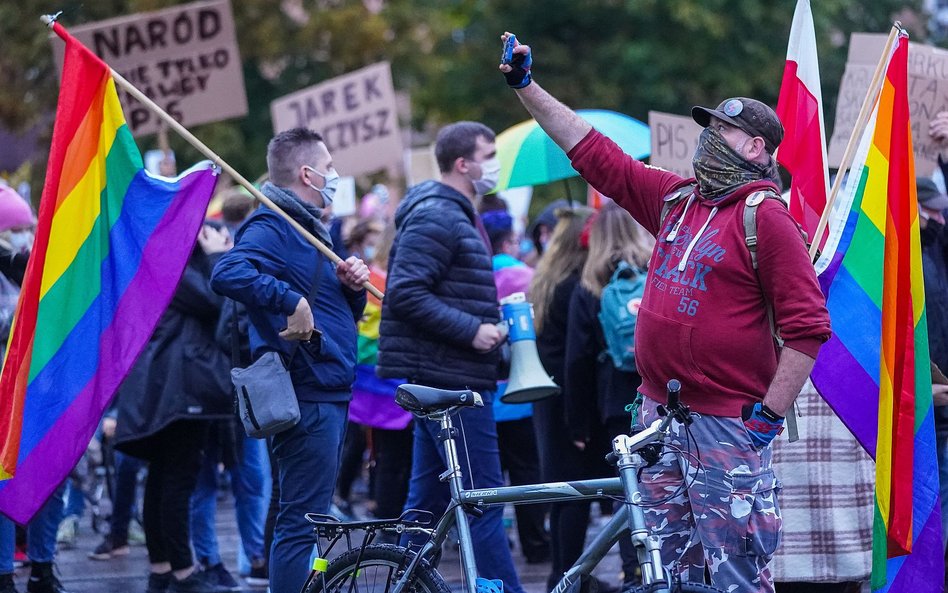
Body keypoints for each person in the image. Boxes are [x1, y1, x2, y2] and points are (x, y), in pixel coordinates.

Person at [499, 33, 831, 592]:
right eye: (709, 128)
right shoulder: (677, 200)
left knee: (736, 579)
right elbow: (592, 151)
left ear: (755, 149)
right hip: (658, 422)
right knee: (668, 575)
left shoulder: (766, 219)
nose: (708, 139)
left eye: (722, 131)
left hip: (727, 426)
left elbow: (808, 329)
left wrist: (766, 420)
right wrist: (525, 86)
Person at [210, 128, 368, 593]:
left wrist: (351, 290)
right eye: (330, 165)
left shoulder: (307, 228)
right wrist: (290, 299)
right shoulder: (273, 224)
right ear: (307, 173)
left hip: (325, 387)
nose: (335, 174)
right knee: (300, 526)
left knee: (301, 517)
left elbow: (337, 315)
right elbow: (228, 270)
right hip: (309, 389)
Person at [377, 121, 524, 593]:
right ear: (464, 164)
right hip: (451, 381)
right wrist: (473, 331)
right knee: (482, 500)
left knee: (426, 500)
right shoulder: (439, 216)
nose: (494, 164)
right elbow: (403, 293)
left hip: (446, 376)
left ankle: (401, 582)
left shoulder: (451, 213)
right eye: (489, 154)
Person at [113, 224, 234, 593]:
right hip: (178, 391)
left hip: (168, 390)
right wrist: (217, 258)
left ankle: (162, 569)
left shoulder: (158, 260)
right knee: (176, 479)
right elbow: (216, 300)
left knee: (163, 478)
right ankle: (182, 572)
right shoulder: (171, 264)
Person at [529, 205, 606, 589]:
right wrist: (581, 419)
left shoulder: (545, 279)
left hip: (547, 399)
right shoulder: (575, 285)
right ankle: (570, 579)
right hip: (569, 400)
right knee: (577, 495)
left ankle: (562, 576)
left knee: (561, 495)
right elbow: (579, 356)